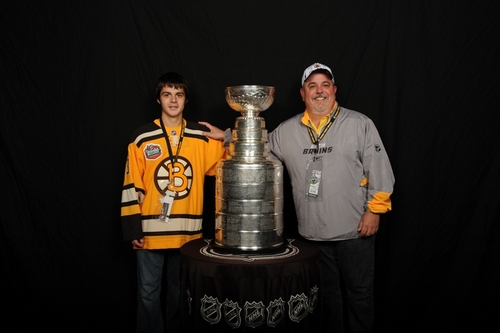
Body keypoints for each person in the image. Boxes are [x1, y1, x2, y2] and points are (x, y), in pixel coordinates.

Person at [204, 62, 394, 333]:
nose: (319, 91)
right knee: (328, 299)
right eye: (312, 86)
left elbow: (380, 170)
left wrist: (374, 210)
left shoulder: (359, 124)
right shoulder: (288, 130)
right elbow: (261, 142)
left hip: (355, 230)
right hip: (313, 233)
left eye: (325, 85)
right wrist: (225, 136)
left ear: (335, 90)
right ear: (303, 94)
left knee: (359, 296)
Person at [121, 72, 228, 333]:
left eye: (179, 94)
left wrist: (226, 136)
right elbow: (131, 183)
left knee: (180, 293)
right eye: (167, 94)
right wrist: (133, 227)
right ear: (158, 99)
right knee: (148, 293)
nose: (173, 100)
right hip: (150, 232)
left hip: (187, 234)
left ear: (186, 99)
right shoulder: (142, 137)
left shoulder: (201, 135)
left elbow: (230, 161)